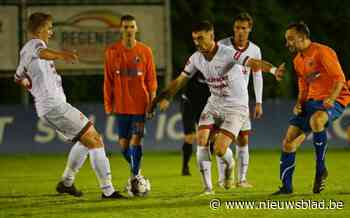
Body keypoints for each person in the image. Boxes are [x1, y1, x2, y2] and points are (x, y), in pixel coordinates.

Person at [151, 20, 284, 195]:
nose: (197, 43)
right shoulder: (196, 58)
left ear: (212, 36)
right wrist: (158, 100)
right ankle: (208, 189)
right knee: (201, 139)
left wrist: (274, 71)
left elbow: (253, 63)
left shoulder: (228, 53)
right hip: (214, 103)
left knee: (220, 150)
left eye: (201, 38)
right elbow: (179, 81)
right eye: (195, 39)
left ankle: (231, 165)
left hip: (236, 106)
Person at [14, 12, 124, 199]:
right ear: (40, 29)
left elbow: (18, 77)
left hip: (50, 108)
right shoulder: (35, 45)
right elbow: (43, 53)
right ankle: (108, 191)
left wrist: (32, 86)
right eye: (49, 28)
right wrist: (61, 55)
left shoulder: (25, 52)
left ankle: (67, 183)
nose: (51, 31)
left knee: (85, 140)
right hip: (54, 106)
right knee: (95, 140)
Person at [273, 22, 350, 195]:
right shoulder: (297, 60)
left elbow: (340, 78)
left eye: (291, 39)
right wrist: (299, 103)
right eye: (286, 40)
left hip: (334, 99)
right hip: (311, 102)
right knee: (288, 143)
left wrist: (331, 98)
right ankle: (286, 188)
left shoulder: (322, 52)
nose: (288, 43)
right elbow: (304, 85)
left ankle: (320, 169)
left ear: (302, 37)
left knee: (317, 120)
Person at [103, 14, 157, 185]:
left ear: (136, 29)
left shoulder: (145, 51)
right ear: (121, 29)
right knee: (124, 147)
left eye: (131, 26)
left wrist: (152, 103)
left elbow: (151, 80)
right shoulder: (112, 52)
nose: (128, 30)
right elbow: (108, 81)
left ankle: (134, 178)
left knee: (136, 140)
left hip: (141, 106)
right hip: (121, 106)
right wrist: (108, 103)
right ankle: (138, 173)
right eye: (125, 27)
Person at [217, 12, 263, 188]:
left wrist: (258, 102)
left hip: (242, 103)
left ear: (250, 29)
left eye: (244, 28)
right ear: (233, 28)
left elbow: (257, 76)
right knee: (222, 140)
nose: (240, 31)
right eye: (237, 28)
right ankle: (223, 179)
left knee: (243, 139)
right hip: (222, 101)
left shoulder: (255, 50)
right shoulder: (222, 45)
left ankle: (241, 179)